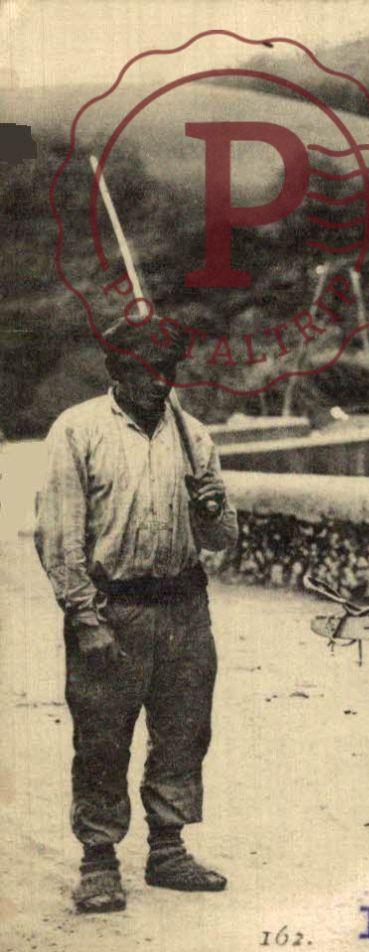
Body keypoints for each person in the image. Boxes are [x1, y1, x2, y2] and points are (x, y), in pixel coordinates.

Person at [34, 325, 238, 913]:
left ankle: (169, 851)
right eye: (147, 369)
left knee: (183, 730)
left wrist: (212, 506)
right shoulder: (78, 430)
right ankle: (99, 860)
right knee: (102, 736)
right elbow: (60, 538)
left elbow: (222, 540)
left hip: (184, 606)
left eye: (169, 368)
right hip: (111, 607)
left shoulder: (192, 436)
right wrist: (86, 618)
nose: (160, 381)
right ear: (116, 371)